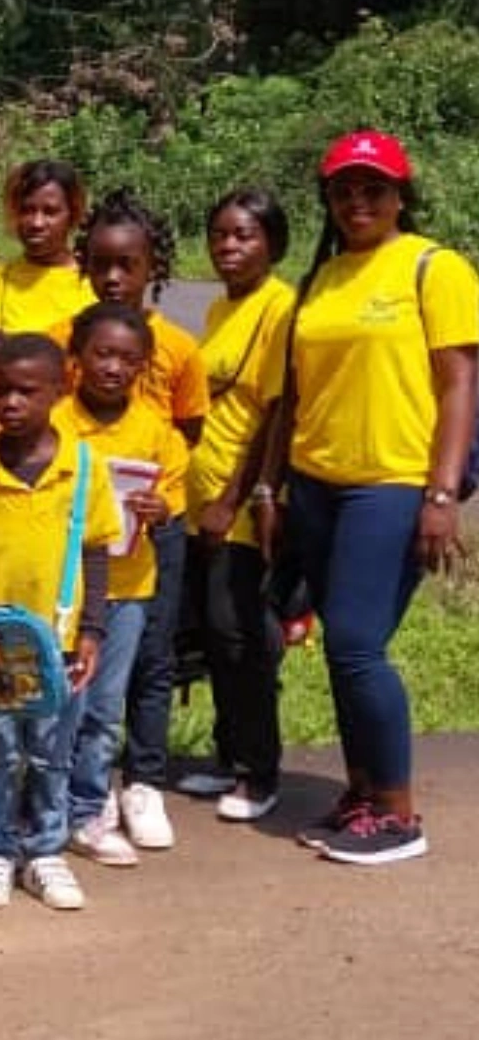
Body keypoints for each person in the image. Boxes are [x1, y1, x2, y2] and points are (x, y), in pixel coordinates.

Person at [260, 130, 477, 865]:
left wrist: (442, 493)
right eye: (344, 189)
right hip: (316, 484)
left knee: (356, 644)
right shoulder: (320, 280)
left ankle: (398, 815)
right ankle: (362, 792)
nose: (358, 201)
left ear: (400, 195)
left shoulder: (432, 268)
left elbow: (459, 386)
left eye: (374, 188)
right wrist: (277, 487)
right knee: (341, 652)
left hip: (390, 484)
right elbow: (296, 396)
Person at [0, 334, 119, 912]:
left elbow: (97, 551)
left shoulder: (83, 467)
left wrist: (94, 631)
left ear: (60, 389)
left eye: (27, 391)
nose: (11, 403)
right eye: (3, 390)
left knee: (52, 749)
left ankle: (45, 850)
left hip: (62, 639)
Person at [176, 190, 294, 822]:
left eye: (243, 236)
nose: (228, 247)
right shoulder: (224, 307)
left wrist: (236, 498)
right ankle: (226, 758)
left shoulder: (279, 309)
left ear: (272, 244)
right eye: (219, 235)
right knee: (212, 638)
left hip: (239, 502)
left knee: (239, 632)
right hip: (199, 500)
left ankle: (260, 770)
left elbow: (274, 413)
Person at [59, 303, 190, 869]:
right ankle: (46, 805)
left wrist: (160, 507)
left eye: (128, 359)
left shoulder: (156, 431)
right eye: (102, 354)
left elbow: (175, 500)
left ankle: (88, 807)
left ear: (143, 366)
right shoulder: (53, 421)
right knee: (62, 702)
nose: (113, 367)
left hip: (128, 587)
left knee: (105, 705)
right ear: (77, 357)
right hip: (63, 590)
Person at [0, 159, 92, 334]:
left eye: (50, 212)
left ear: (73, 214)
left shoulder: (93, 286)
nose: (37, 223)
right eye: (27, 210)